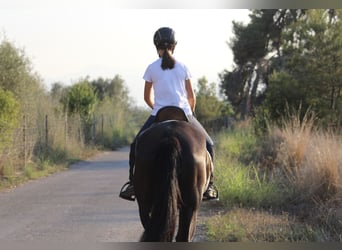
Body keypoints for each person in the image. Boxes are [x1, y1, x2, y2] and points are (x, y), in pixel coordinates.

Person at [119, 27, 218, 201]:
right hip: (184, 113)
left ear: (156, 46)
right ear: (174, 45)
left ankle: (133, 184)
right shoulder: (183, 67)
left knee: (136, 145)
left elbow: (146, 97)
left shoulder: (151, 68)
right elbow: (191, 96)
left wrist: (156, 108)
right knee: (209, 145)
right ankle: (210, 186)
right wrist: (191, 113)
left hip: (159, 113)